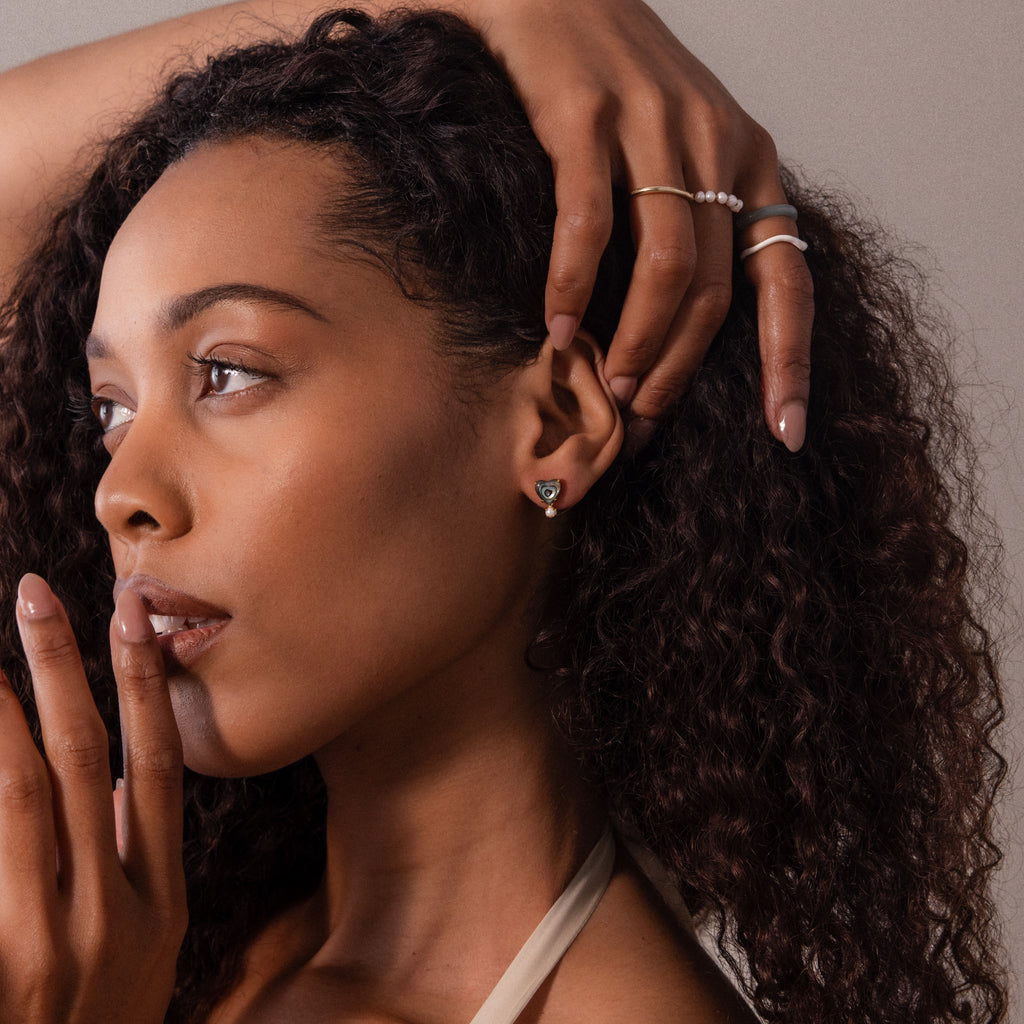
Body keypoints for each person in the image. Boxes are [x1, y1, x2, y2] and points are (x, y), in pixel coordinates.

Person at [0, 7, 1006, 1024]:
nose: (117, 490)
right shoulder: (156, 926)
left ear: (559, 421)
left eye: (226, 372)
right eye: (112, 410)